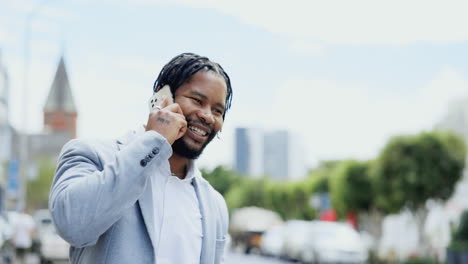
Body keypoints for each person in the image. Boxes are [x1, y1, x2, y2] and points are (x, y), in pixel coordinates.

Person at [49, 53, 233, 264]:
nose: (208, 116)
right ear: (163, 98)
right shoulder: (91, 155)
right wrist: (155, 141)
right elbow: (72, 226)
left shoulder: (215, 205)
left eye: (218, 110)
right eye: (197, 100)